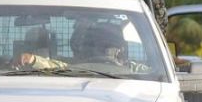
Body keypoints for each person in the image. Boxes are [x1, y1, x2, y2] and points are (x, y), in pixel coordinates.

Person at [14, 22, 149, 73]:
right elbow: (55, 66)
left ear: (121, 48)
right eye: (99, 43)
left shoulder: (133, 69)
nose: (105, 49)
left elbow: (155, 74)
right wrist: (32, 59)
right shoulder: (77, 67)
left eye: (110, 44)